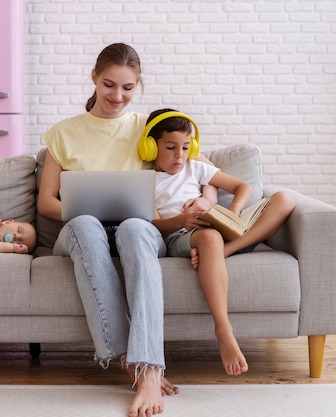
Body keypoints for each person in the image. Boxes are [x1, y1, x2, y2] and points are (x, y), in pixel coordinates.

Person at [37, 43, 217, 417]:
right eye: (108, 85)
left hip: (135, 228)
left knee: (135, 227)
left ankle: (149, 367)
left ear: (138, 86)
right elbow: (46, 203)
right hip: (80, 232)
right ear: (94, 79)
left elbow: (202, 168)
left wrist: (208, 199)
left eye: (127, 88)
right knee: (86, 223)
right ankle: (128, 358)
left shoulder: (147, 129)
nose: (117, 96)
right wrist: (86, 205)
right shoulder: (63, 133)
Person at [148, 108, 296, 376]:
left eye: (185, 147)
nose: (179, 156)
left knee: (285, 199)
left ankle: (227, 250)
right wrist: (183, 220)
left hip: (227, 226)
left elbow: (243, 188)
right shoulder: (147, 180)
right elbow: (155, 225)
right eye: (170, 148)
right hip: (185, 234)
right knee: (210, 236)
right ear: (149, 146)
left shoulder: (195, 167)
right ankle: (224, 329)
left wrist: (235, 211)